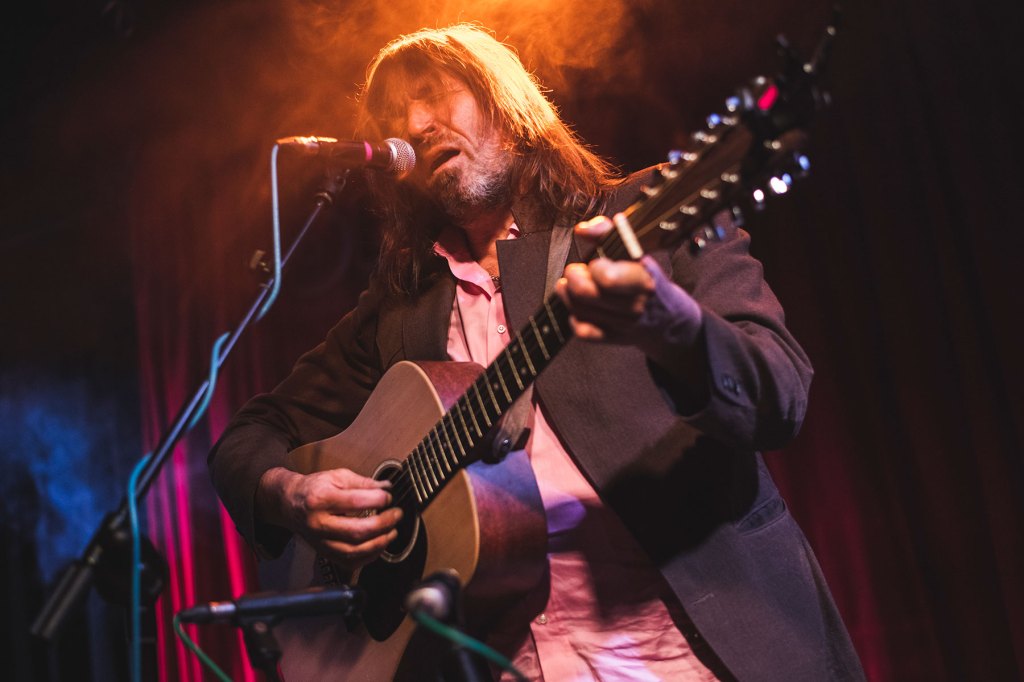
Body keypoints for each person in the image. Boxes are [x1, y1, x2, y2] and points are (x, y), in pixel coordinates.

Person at [210, 23, 864, 681]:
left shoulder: (643, 216)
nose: (414, 122)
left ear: (505, 101)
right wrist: (290, 494)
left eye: (435, 94)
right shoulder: (399, 311)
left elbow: (779, 395)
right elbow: (250, 436)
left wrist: (675, 328)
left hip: (700, 650)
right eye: (395, 115)